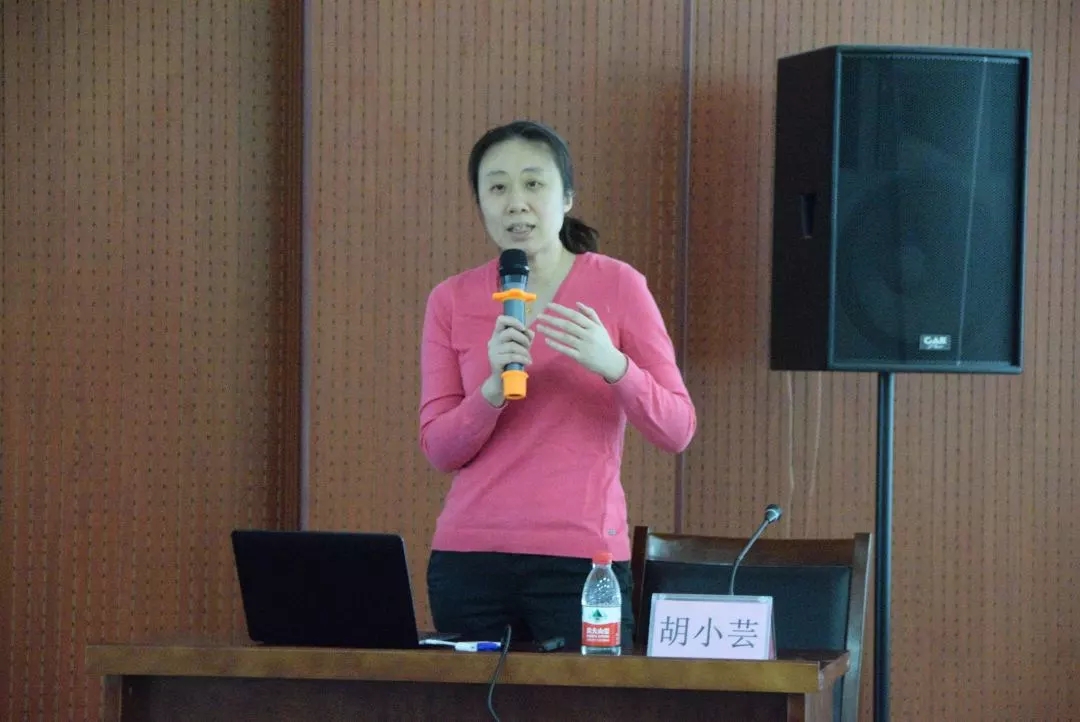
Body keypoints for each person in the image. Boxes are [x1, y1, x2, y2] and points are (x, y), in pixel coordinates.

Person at [418, 119, 696, 649]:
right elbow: (439, 448)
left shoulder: (618, 285)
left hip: (583, 561)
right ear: (480, 203)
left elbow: (677, 429)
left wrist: (613, 364)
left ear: (566, 197)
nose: (516, 203)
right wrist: (491, 392)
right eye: (497, 188)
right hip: (469, 563)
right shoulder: (450, 299)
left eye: (533, 183)